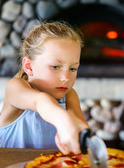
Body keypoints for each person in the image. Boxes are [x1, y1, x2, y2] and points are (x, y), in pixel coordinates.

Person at [0, 21, 89, 154]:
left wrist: (79, 137)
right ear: (29, 66)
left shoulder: (70, 95)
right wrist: (63, 121)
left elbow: (81, 132)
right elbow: (40, 101)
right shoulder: (15, 87)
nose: (66, 77)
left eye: (72, 68)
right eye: (55, 67)